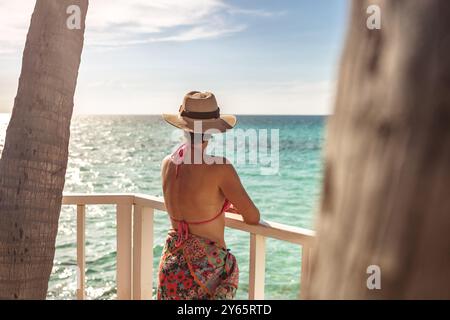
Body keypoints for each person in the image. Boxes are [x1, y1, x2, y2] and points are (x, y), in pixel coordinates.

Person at [157, 91, 260, 300]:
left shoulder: (168, 163)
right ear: (212, 131)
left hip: (171, 264)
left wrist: (217, 204)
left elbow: (190, 201)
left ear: (183, 128)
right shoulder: (219, 167)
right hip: (204, 274)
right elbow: (253, 217)